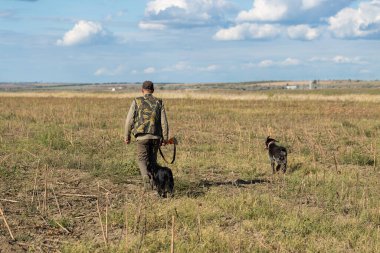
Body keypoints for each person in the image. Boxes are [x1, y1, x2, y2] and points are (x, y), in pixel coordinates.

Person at [124, 80, 169, 189]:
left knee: (142, 160)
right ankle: (153, 182)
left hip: (141, 136)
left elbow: (129, 120)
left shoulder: (136, 101)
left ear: (142, 90)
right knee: (153, 161)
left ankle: (145, 178)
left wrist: (127, 136)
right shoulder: (159, 102)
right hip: (155, 137)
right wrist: (165, 138)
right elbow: (164, 122)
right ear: (153, 90)